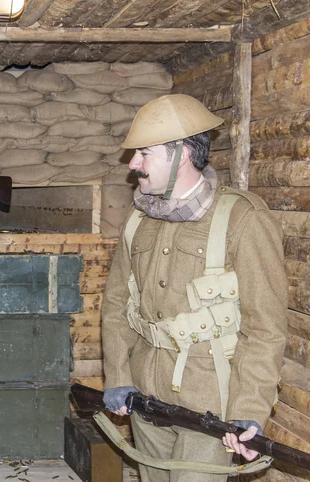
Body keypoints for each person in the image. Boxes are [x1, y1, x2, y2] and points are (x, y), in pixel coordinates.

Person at [101, 94, 288, 482]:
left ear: (182, 154)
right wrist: (119, 374)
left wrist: (249, 409)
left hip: (209, 405)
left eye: (144, 153)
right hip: (145, 397)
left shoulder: (243, 220)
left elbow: (265, 328)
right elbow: (117, 302)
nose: (133, 163)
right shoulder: (139, 220)